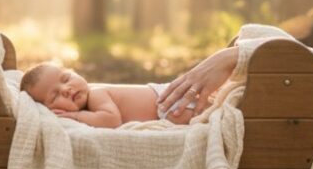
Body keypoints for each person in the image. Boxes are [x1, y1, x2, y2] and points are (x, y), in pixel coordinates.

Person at [20, 45, 241, 127]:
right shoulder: (90, 100)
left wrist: (75, 117)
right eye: (55, 96)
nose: (66, 89)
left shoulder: (96, 94)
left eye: (66, 78)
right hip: (164, 99)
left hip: (168, 103)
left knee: (205, 112)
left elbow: (110, 120)